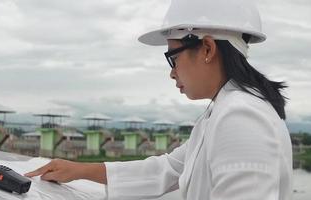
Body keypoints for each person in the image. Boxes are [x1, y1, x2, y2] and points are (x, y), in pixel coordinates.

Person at [25, 0, 293, 199]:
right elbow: (168, 169)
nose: (172, 72)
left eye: (173, 57)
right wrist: (80, 170)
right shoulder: (223, 110)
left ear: (208, 49)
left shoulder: (241, 117)